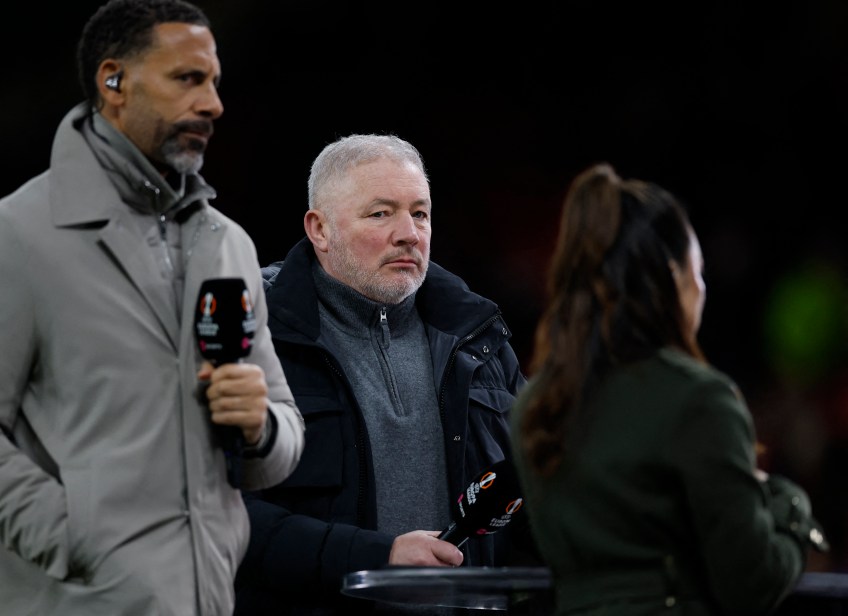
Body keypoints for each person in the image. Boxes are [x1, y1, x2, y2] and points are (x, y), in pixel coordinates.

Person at [0, 0, 305, 614]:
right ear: (113, 82)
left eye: (215, 83)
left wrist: (260, 429)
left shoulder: (227, 244)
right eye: (187, 79)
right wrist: (79, 540)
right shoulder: (10, 238)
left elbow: (282, 427)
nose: (213, 104)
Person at [510, 162, 827, 615]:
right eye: (697, 272)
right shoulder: (699, 399)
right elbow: (752, 582)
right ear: (670, 278)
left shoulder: (535, 405)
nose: (702, 289)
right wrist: (787, 504)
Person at [233, 133, 532, 615]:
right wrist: (379, 557)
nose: (409, 233)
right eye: (381, 213)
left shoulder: (480, 339)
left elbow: (534, 499)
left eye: (419, 212)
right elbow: (220, 519)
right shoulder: (254, 337)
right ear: (319, 229)